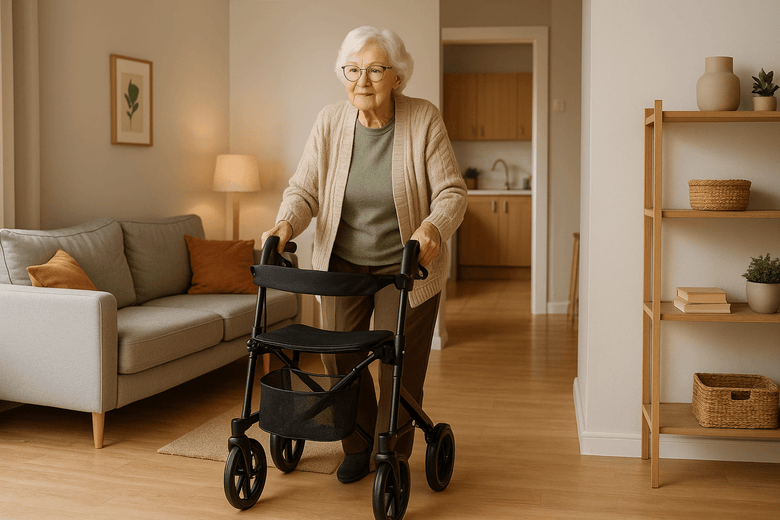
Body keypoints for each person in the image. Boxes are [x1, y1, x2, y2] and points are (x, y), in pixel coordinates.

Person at [261, 26, 467, 484]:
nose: (362, 80)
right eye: (352, 70)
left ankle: (389, 453)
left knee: (400, 362)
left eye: (375, 69)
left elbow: (452, 192)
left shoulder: (423, 119)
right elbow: (304, 189)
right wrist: (284, 223)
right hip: (343, 263)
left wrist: (432, 227)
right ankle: (357, 444)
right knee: (338, 359)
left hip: (406, 268)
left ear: (397, 76)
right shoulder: (330, 122)